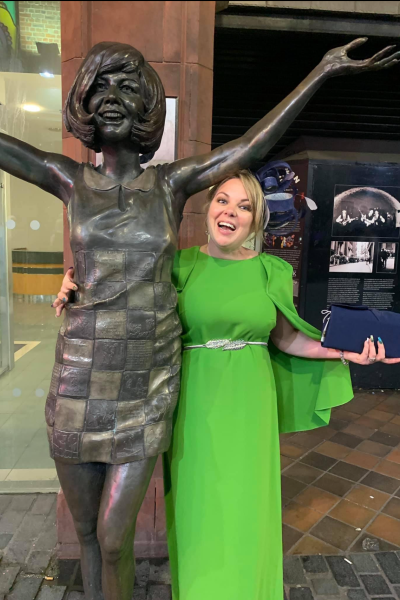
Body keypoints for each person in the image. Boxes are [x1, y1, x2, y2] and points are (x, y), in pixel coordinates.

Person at [8, 37, 398, 600]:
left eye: (126, 87)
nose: (111, 97)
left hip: (149, 387)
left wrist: (320, 72)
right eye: (100, 86)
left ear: (147, 106)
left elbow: (249, 144)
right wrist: (72, 279)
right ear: (83, 102)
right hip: (80, 374)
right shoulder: (72, 182)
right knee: (91, 534)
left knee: (114, 538)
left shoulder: (168, 186)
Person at [56, 171, 400, 600]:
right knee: (199, 507)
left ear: (256, 221)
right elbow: (121, 298)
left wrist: (348, 353)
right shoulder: (177, 264)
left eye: (244, 206)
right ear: (208, 209)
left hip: (251, 403)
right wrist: (73, 283)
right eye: (223, 200)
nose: (230, 212)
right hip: (193, 403)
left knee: (246, 508)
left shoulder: (271, 270)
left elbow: (287, 339)